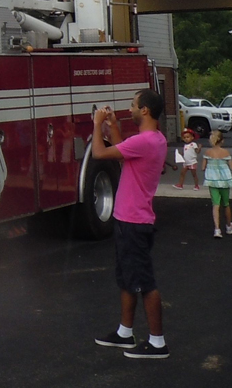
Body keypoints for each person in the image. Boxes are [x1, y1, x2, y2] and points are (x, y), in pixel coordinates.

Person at [91, 89, 170, 359]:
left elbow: (100, 153)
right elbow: (123, 154)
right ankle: (125, 333)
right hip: (129, 219)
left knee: (144, 282)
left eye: (134, 105)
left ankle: (158, 342)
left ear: (145, 110)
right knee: (127, 280)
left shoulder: (145, 141)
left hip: (134, 223)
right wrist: (113, 125)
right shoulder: (154, 139)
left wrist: (96, 123)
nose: (130, 109)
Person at [202, 130, 232, 238]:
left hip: (212, 180)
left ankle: (217, 229)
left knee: (215, 204)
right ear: (222, 141)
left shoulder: (207, 152)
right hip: (224, 180)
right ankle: (228, 225)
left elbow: (203, 168)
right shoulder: (226, 152)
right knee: (226, 203)